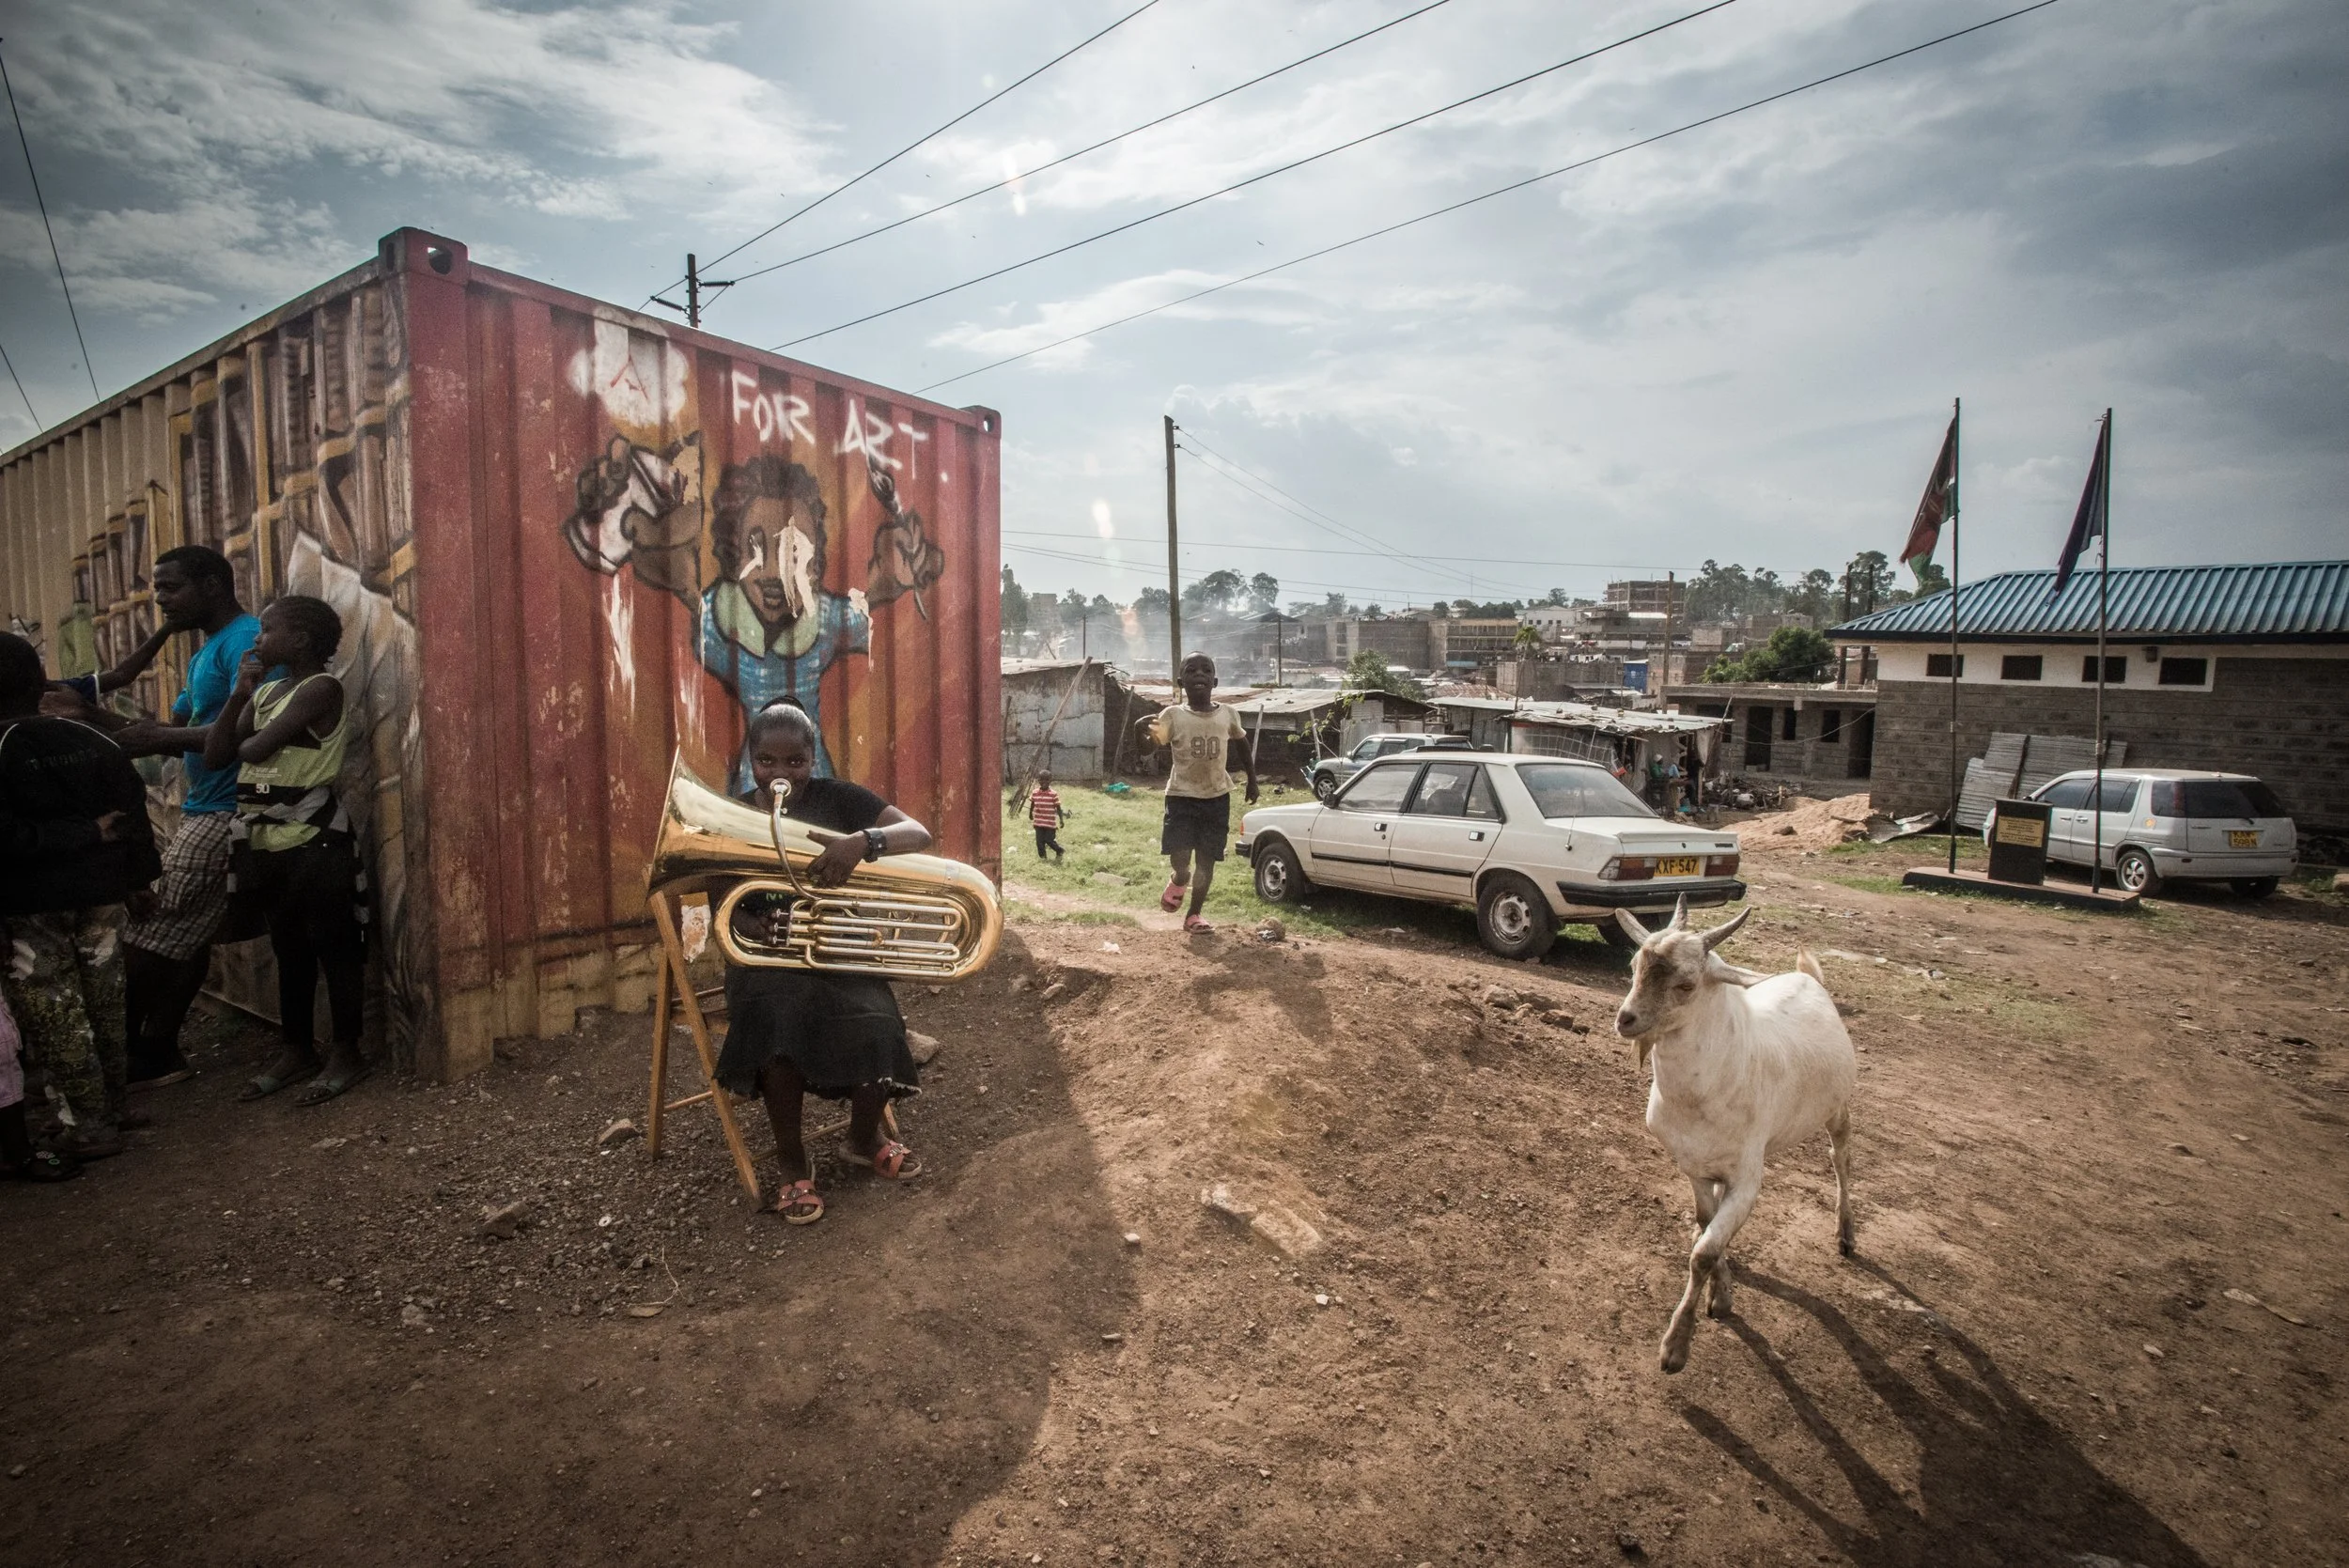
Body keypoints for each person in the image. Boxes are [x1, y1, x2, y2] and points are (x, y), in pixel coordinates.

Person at [51, 544, 267, 1090]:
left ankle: (114, 1061)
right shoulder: (203, 655)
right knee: (186, 936)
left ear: (213, 585)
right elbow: (168, 733)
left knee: (151, 932)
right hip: (205, 806)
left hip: (226, 809)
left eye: (171, 587)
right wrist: (89, 716)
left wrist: (160, 735)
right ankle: (157, 1052)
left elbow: (257, 729)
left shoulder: (243, 640)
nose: (161, 599)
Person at [714, 700, 932, 1225]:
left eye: (796, 762)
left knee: (880, 1017)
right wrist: (749, 925)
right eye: (767, 761)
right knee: (779, 1026)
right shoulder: (736, 813)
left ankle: (863, 1137)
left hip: (836, 951)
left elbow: (919, 834)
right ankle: (791, 1162)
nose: (781, 775)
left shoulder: (841, 800)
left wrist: (863, 841)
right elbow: (724, 899)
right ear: (751, 759)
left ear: (815, 759)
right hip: (765, 961)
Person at [0, 631, 162, 1161]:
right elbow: (133, 813)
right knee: (104, 1001)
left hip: (30, 905)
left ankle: (88, 1125)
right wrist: (138, 880)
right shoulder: (90, 740)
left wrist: (83, 835)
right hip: (101, 893)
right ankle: (111, 1108)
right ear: (38, 681)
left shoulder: (3, 747)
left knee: (55, 1011)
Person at [203, 597, 370, 1107]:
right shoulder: (269, 688)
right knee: (289, 949)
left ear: (298, 640)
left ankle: (347, 1053)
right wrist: (239, 695)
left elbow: (249, 750)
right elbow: (217, 754)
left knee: (336, 949)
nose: (256, 640)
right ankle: (297, 1049)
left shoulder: (321, 689)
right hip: (265, 842)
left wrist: (244, 732)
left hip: (315, 840)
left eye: (265, 631)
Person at [1136, 653, 1258, 934]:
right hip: (1181, 796)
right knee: (1181, 856)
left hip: (1217, 797)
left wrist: (1252, 779)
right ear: (1182, 682)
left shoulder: (1228, 714)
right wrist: (1137, 730)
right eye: (1192, 671)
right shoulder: (1173, 715)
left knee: (1207, 859)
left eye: (1206, 671)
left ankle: (1194, 915)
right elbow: (1147, 749)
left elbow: (1241, 745)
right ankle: (1180, 877)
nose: (1200, 675)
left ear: (1214, 681)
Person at [1028, 771, 1066, 862]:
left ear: (1050, 780)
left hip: (1050, 823)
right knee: (1039, 842)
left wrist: (1061, 820)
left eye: (1047, 779)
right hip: (1038, 822)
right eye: (1041, 779)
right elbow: (1032, 804)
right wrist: (1030, 814)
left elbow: (1058, 808)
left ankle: (1059, 850)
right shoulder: (1035, 792)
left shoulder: (1053, 794)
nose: (1044, 782)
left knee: (1049, 840)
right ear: (1038, 780)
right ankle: (1043, 859)